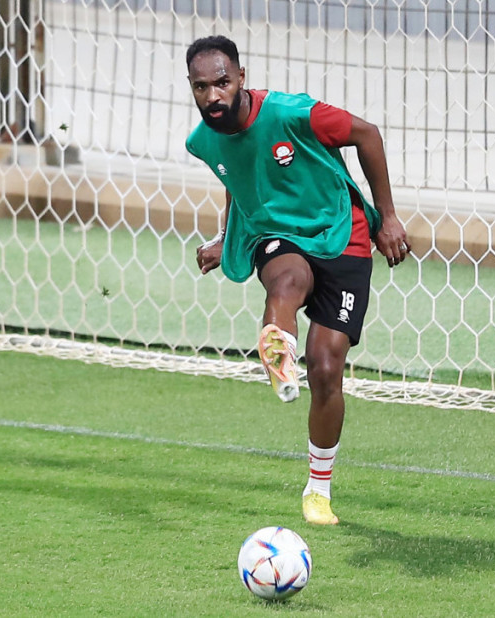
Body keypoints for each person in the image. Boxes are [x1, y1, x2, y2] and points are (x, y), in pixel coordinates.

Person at [185, 35, 410, 525]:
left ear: (241, 78)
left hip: (341, 233)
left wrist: (388, 217)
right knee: (286, 280)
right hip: (277, 233)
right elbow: (239, 176)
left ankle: (318, 491)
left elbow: (368, 134)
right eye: (201, 87)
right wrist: (225, 238)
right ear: (191, 87)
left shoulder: (293, 113)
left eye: (222, 83)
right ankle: (280, 355)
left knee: (326, 368)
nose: (213, 96)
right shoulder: (203, 140)